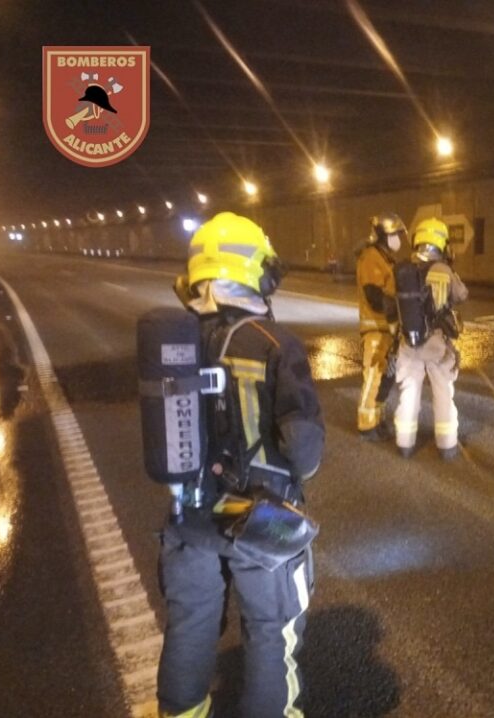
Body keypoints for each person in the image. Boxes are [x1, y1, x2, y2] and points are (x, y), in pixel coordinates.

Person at [159, 212, 325, 718]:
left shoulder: (174, 342)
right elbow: (304, 450)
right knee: (270, 628)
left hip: (188, 514)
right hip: (262, 515)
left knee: (190, 622)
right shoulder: (275, 344)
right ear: (254, 272)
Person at [393, 217, 468, 460]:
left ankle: (404, 443)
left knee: (409, 392)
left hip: (408, 342)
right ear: (441, 242)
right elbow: (462, 295)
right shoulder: (443, 270)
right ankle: (447, 446)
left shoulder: (405, 270)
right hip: (436, 343)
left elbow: (390, 304)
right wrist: (450, 269)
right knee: (443, 392)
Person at [356, 212, 406, 440]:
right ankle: (366, 425)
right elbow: (374, 296)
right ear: (384, 235)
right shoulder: (370, 258)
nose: (399, 238)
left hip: (389, 329)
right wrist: (398, 301)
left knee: (387, 377)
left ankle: (378, 418)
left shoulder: (387, 259)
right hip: (376, 328)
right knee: (374, 376)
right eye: (395, 234)